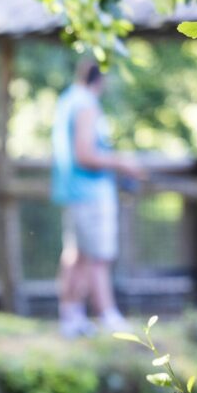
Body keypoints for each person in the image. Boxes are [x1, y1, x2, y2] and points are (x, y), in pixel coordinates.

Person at [51, 60, 144, 338]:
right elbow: (85, 154)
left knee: (76, 254)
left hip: (72, 191)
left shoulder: (67, 99)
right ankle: (108, 316)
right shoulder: (86, 104)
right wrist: (122, 162)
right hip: (90, 193)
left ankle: (71, 317)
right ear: (100, 79)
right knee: (98, 257)